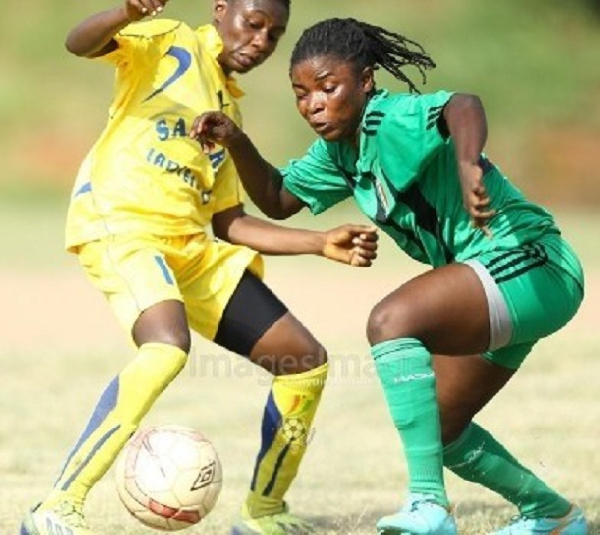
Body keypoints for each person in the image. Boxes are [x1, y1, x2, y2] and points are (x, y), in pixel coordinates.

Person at [189, 16, 589, 535]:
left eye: (328, 88)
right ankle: (552, 514)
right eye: (301, 94)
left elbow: (461, 104)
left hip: (533, 262)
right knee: (441, 430)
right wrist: (237, 140)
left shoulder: (389, 120)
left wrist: (468, 164)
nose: (314, 104)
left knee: (391, 321)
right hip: (501, 284)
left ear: (366, 82)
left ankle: (428, 505)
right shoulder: (340, 152)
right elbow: (277, 198)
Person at [20, 4, 380, 535]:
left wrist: (318, 241)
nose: (260, 40)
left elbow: (230, 222)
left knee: (303, 362)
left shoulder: (228, 104)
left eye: (274, 34)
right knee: (166, 348)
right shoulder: (168, 42)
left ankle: (264, 514)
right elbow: (80, 43)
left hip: (191, 249)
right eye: (253, 22)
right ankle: (57, 507)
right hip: (125, 226)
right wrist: (125, 10)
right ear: (221, 9)